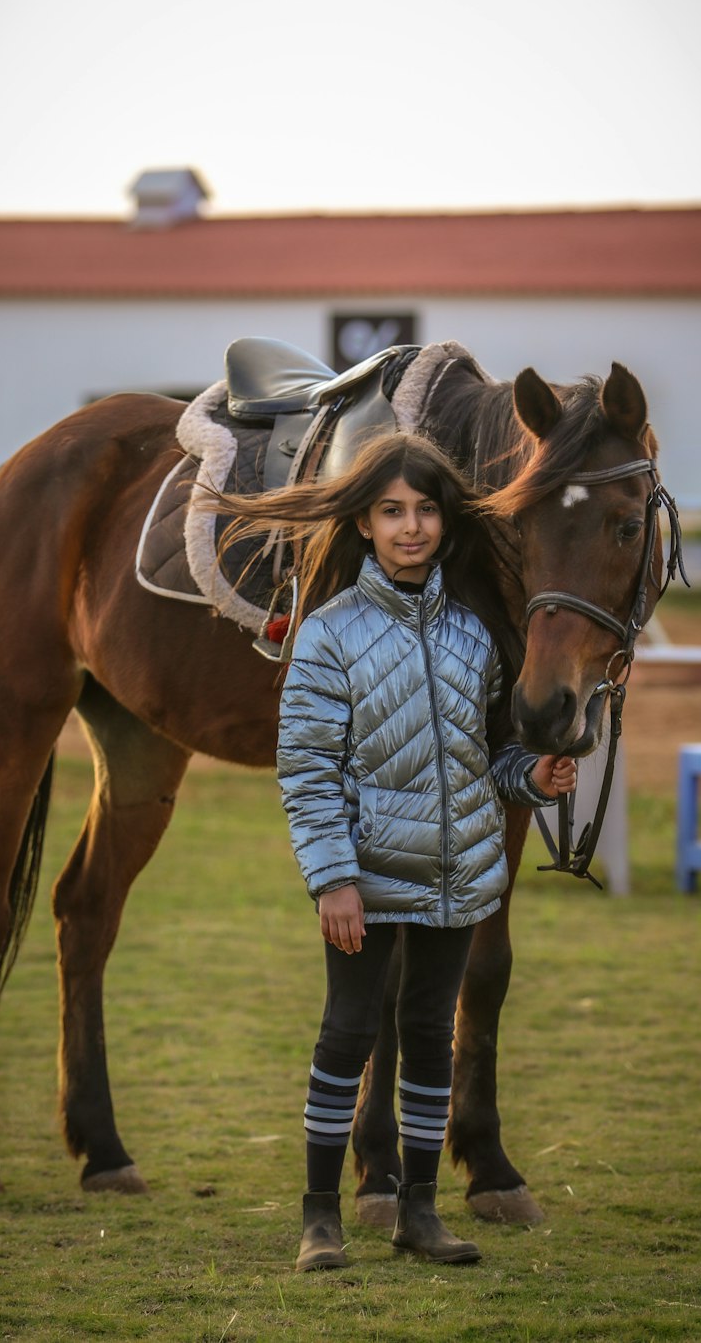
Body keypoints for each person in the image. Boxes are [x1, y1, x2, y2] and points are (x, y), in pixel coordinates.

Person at [217, 433, 576, 1271]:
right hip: (365, 882)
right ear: (366, 525)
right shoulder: (329, 634)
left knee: (427, 1038)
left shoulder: (478, 634)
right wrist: (334, 879)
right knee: (346, 1037)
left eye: (424, 510)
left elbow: (488, 760)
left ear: (447, 522)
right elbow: (306, 770)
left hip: (457, 880)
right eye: (391, 512)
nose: (410, 526)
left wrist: (537, 776)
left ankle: (420, 1213)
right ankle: (320, 1221)